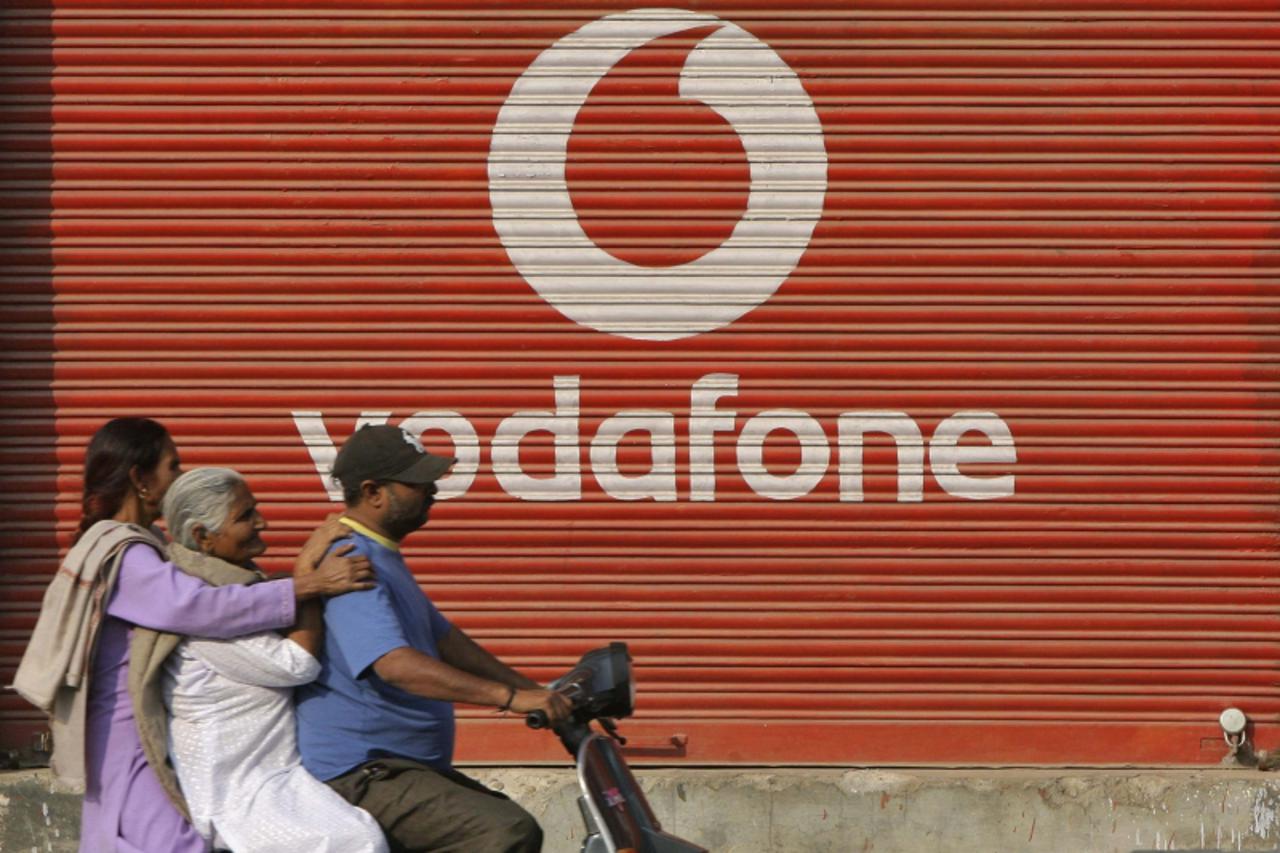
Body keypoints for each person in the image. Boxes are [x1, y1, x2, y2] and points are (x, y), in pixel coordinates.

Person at [13, 417, 375, 853]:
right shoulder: (126, 555)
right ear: (140, 479)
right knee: (168, 842)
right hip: (124, 730)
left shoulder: (141, 543)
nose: (179, 477)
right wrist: (305, 586)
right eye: (172, 466)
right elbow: (197, 608)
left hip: (137, 723)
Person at [295, 424, 572, 853]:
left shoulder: (382, 555)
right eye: (417, 482)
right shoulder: (351, 561)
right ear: (373, 492)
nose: (432, 490)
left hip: (401, 769)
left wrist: (535, 690)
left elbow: (447, 642)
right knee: (506, 833)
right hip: (365, 772)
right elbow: (394, 664)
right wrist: (509, 698)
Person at [159, 467, 388, 853]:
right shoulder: (200, 608)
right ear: (203, 537)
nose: (261, 521)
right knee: (355, 841)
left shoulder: (236, 587)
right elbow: (296, 664)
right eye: (245, 516)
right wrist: (308, 576)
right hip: (236, 794)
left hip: (274, 776)